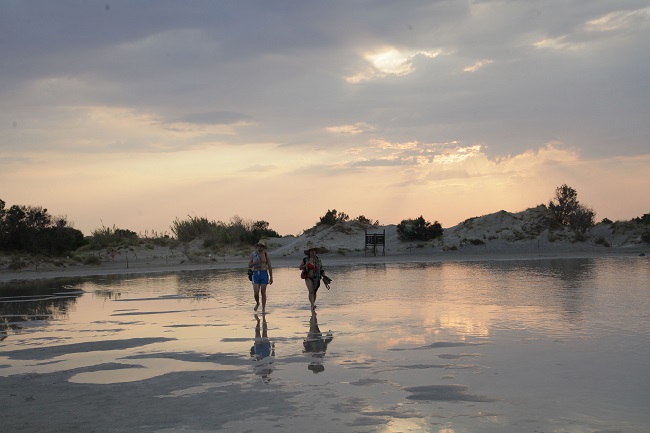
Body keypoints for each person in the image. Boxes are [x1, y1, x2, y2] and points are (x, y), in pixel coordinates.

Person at [299, 242, 326, 311]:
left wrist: (324, 276)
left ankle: (313, 303)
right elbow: (300, 267)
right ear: (309, 252)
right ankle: (312, 305)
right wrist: (305, 265)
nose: (313, 252)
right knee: (311, 291)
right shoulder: (305, 259)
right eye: (311, 251)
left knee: (314, 292)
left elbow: (321, 268)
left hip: (317, 277)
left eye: (314, 251)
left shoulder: (318, 259)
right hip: (308, 277)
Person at [248, 239, 273, 312]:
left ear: (264, 247)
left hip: (264, 273)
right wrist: (255, 262)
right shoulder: (253, 254)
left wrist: (271, 277)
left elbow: (270, 266)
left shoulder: (266, 255)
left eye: (262, 246)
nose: (260, 248)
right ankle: (257, 303)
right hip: (256, 273)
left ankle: (263, 308)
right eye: (259, 246)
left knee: (263, 291)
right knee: (256, 292)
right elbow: (249, 265)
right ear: (257, 246)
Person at [250, 314, 275, 383]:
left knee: (258, 334)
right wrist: (273, 349)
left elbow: (253, 361)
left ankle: (258, 322)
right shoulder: (269, 371)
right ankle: (263, 319)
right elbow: (272, 359)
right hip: (265, 352)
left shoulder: (257, 372)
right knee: (264, 333)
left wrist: (252, 353)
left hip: (259, 352)